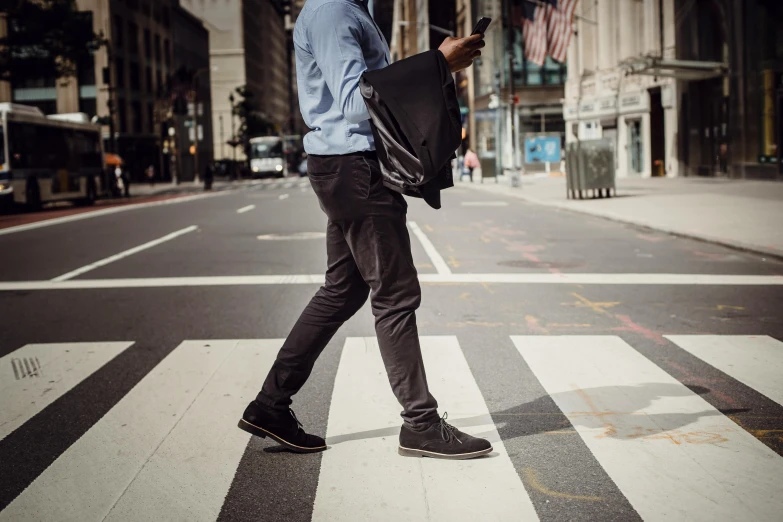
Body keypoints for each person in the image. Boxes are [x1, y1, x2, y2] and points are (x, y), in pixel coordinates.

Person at [237, 0, 490, 460]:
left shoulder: (354, 8)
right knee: (394, 295)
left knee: (341, 290)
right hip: (354, 168)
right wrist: (437, 63)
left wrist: (438, 65)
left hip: (348, 168)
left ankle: (270, 405)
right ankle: (421, 424)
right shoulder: (334, 11)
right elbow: (356, 104)